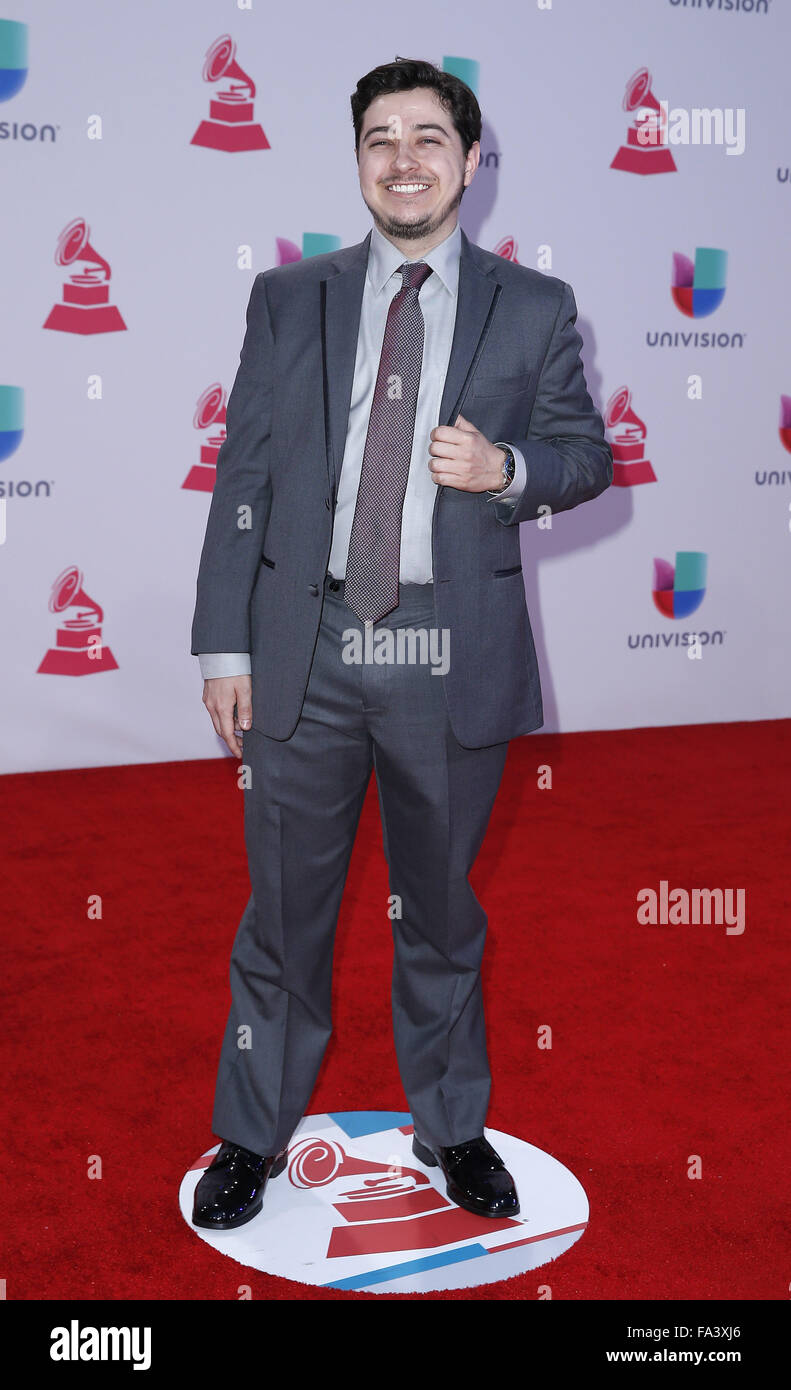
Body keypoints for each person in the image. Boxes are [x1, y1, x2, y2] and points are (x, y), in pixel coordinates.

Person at [189, 56, 612, 1231]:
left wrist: (510, 470)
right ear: (357, 159)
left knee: (437, 907)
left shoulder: (533, 307)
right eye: (381, 138)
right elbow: (243, 478)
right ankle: (247, 1132)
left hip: (445, 646)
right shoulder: (290, 298)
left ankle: (452, 1124)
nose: (404, 160)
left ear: (469, 162)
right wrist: (226, 646)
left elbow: (588, 455)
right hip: (306, 643)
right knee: (283, 912)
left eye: (429, 137)